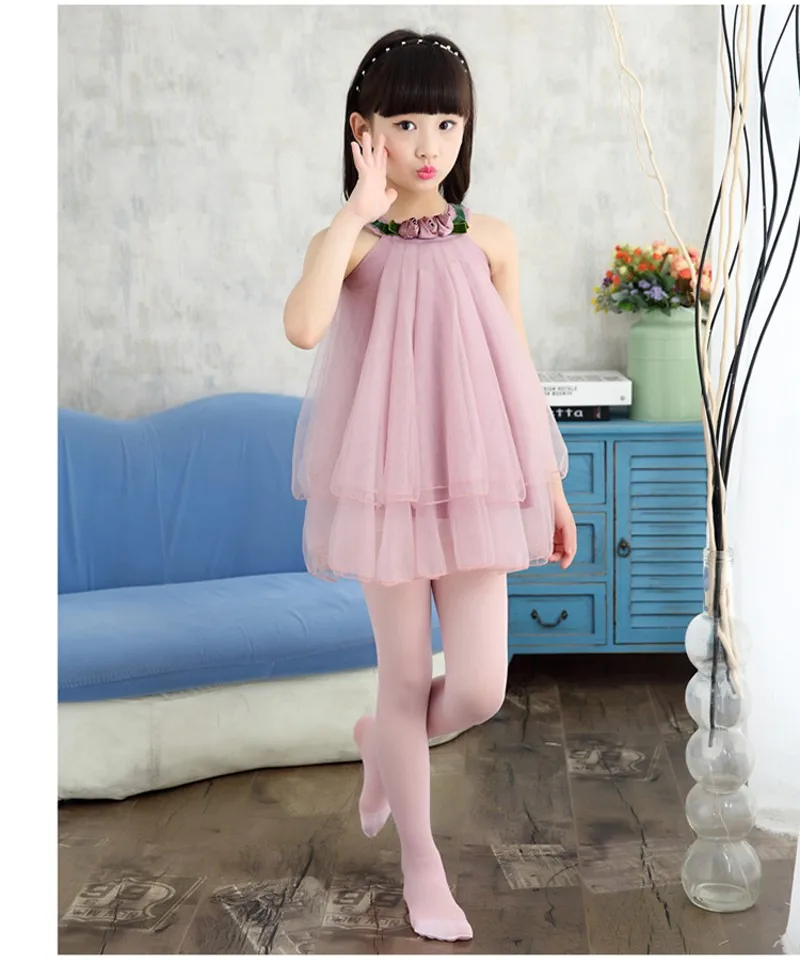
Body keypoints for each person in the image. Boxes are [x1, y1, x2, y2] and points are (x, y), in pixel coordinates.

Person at [284, 28, 577, 943]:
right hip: (383, 485)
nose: (428, 144)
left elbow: (517, 370)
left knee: (481, 687)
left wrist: (551, 486)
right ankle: (422, 863)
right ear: (363, 130)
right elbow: (302, 327)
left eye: (446, 123)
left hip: (479, 478)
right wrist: (353, 214)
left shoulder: (492, 240)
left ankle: (383, 740)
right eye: (406, 122)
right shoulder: (354, 245)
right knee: (407, 675)